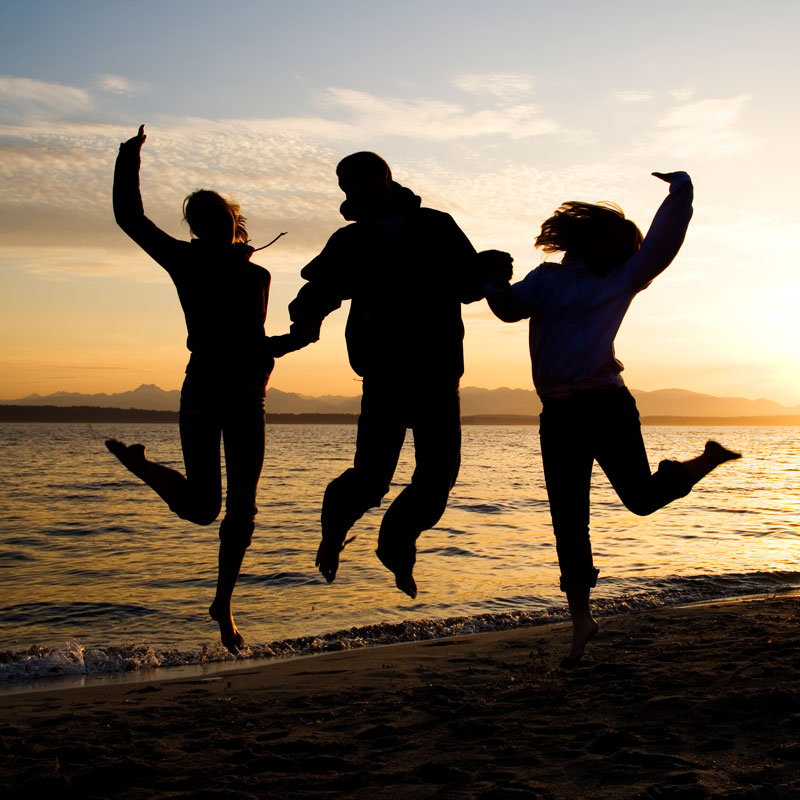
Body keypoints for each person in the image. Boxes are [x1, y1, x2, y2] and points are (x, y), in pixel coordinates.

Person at [484, 171, 740, 666]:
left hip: (606, 404)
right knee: (568, 520)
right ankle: (581, 622)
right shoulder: (545, 279)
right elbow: (509, 310)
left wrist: (681, 192)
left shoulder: (619, 280)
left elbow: (661, 248)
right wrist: (493, 281)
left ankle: (703, 461)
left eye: (626, 249)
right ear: (586, 240)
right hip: (557, 414)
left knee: (641, 500)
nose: (623, 254)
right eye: (615, 244)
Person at [286, 151, 505, 599]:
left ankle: (396, 547)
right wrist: (304, 320)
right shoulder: (351, 240)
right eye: (344, 187)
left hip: (437, 373)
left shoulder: (436, 226)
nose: (350, 193)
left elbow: (466, 286)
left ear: (384, 179)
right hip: (384, 375)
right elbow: (320, 288)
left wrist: (488, 268)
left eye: (356, 183)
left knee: (437, 478)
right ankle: (334, 534)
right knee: (369, 481)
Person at [107, 125, 289, 653]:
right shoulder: (184, 261)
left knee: (243, 508)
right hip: (205, 392)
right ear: (196, 230)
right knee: (204, 508)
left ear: (235, 221)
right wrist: (127, 159)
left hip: (250, 397)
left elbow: (253, 342)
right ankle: (143, 466)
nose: (221, 226)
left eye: (226, 217)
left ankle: (223, 604)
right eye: (208, 221)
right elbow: (129, 219)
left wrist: (293, 339)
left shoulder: (259, 276)